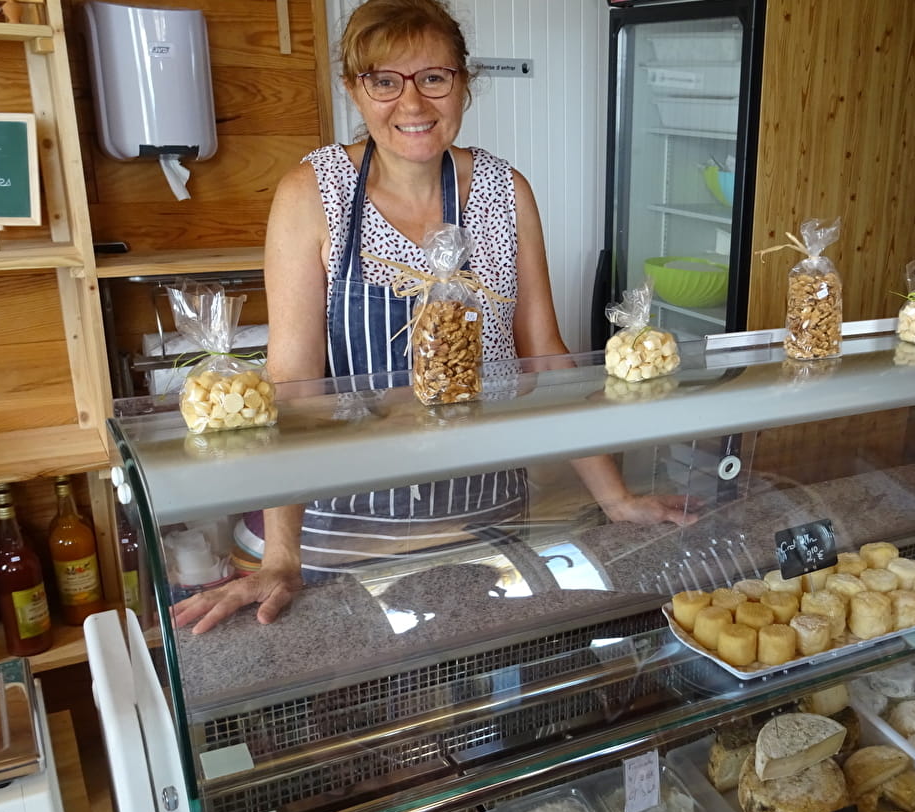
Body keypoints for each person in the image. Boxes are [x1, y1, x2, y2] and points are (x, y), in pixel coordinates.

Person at [173, 0, 694, 634]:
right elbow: (294, 385)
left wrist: (617, 498)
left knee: (491, 688)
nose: (412, 104)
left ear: (463, 84)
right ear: (353, 89)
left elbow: (547, 357)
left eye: (434, 78)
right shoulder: (313, 194)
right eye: (384, 81)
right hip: (348, 529)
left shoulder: (507, 192)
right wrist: (284, 554)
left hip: (488, 511)